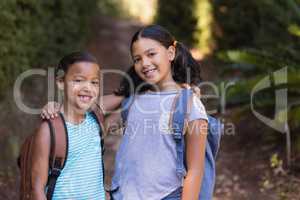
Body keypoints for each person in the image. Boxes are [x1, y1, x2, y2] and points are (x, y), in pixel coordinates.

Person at [42, 25, 208, 200]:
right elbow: (86, 106)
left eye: (151, 54)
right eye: (137, 59)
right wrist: (58, 107)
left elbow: (195, 171)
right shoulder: (135, 98)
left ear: (171, 53)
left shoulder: (189, 105)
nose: (144, 63)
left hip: (165, 196)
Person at [32, 52, 106, 200]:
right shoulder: (49, 130)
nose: (87, 88)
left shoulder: (96, 118)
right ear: (60, 82)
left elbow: (122, 97)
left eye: (94, 82)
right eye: (78, 80)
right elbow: (37, 189)